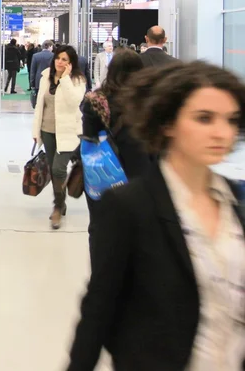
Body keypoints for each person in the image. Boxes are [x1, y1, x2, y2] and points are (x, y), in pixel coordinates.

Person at [68, 61, 245, 371]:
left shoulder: (237, 203)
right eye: (204, 118)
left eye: (230, 120)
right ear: (168, 122)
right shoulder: (128, 207)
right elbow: (99, 309)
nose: (222, 132)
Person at [81, 48, 150, 257]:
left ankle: (103, 271)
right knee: (139, 228)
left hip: (104, 172)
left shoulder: (95, 101)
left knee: (101, 226)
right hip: (140, 173)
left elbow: (89, 138)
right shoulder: (148, 101)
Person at [32, 45, 86, 229]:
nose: (60, 62)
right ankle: (60, 202)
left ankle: (57, 207)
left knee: (58, 169)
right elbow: (40, 106)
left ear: (71, 64)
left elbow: (74, 102)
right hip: (47, 130)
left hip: (68, 132)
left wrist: (65, 79)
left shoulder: (77, 80)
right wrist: (35, 131)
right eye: (58, 58)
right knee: (54, 169)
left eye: (65, 60)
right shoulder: (46, 76)